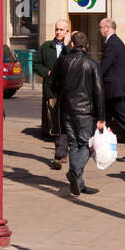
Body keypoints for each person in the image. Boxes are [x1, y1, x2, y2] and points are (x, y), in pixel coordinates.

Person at [49, 31, 105, 197]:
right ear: (85, 45)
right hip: (85, 112)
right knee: (86, 145)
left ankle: (79, 184)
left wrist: (61, 94)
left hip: (67, 109)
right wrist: (101, 116)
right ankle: (74, 172)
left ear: (72, 44)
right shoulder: (92, 64)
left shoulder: (62, 61)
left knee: (74, 144)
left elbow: (51, 82)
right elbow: (99, 91)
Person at [98, 18, 125, 164]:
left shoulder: (113, 43)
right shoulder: (114, 42)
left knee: (124, 122)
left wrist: (92, 75)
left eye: (101, 27)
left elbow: (104, 66)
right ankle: (100, 148)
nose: (99, 30)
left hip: (115, 90)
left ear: (107, 28)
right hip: (113, 90)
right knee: (104, 120)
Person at [34, 20, 70, 169]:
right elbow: (36, 64)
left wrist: (68, 46)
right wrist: (47, 72)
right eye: (57, 29)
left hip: (68, 91)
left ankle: (60, 154)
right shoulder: (46, 47)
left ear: (67, 31)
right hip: (51, 91)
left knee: (65, 122)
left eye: (62, 29)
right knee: (56, 123)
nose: (58, 32)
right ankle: (61, 153)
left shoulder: (70, 47)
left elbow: (74, 61)